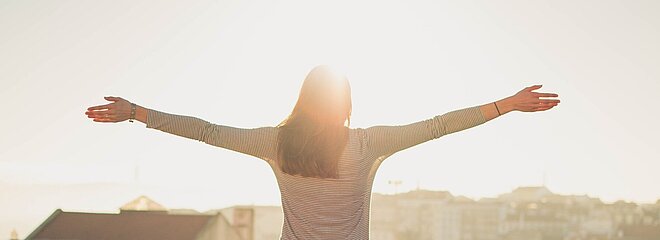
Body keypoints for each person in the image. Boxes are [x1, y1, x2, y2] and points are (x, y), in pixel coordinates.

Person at [85, 65, 560, 239]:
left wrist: (138, 112)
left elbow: (206, 131)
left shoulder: (275, 142)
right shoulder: (369, 143)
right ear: (346, 104)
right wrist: (505, 106)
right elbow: (438, 127)